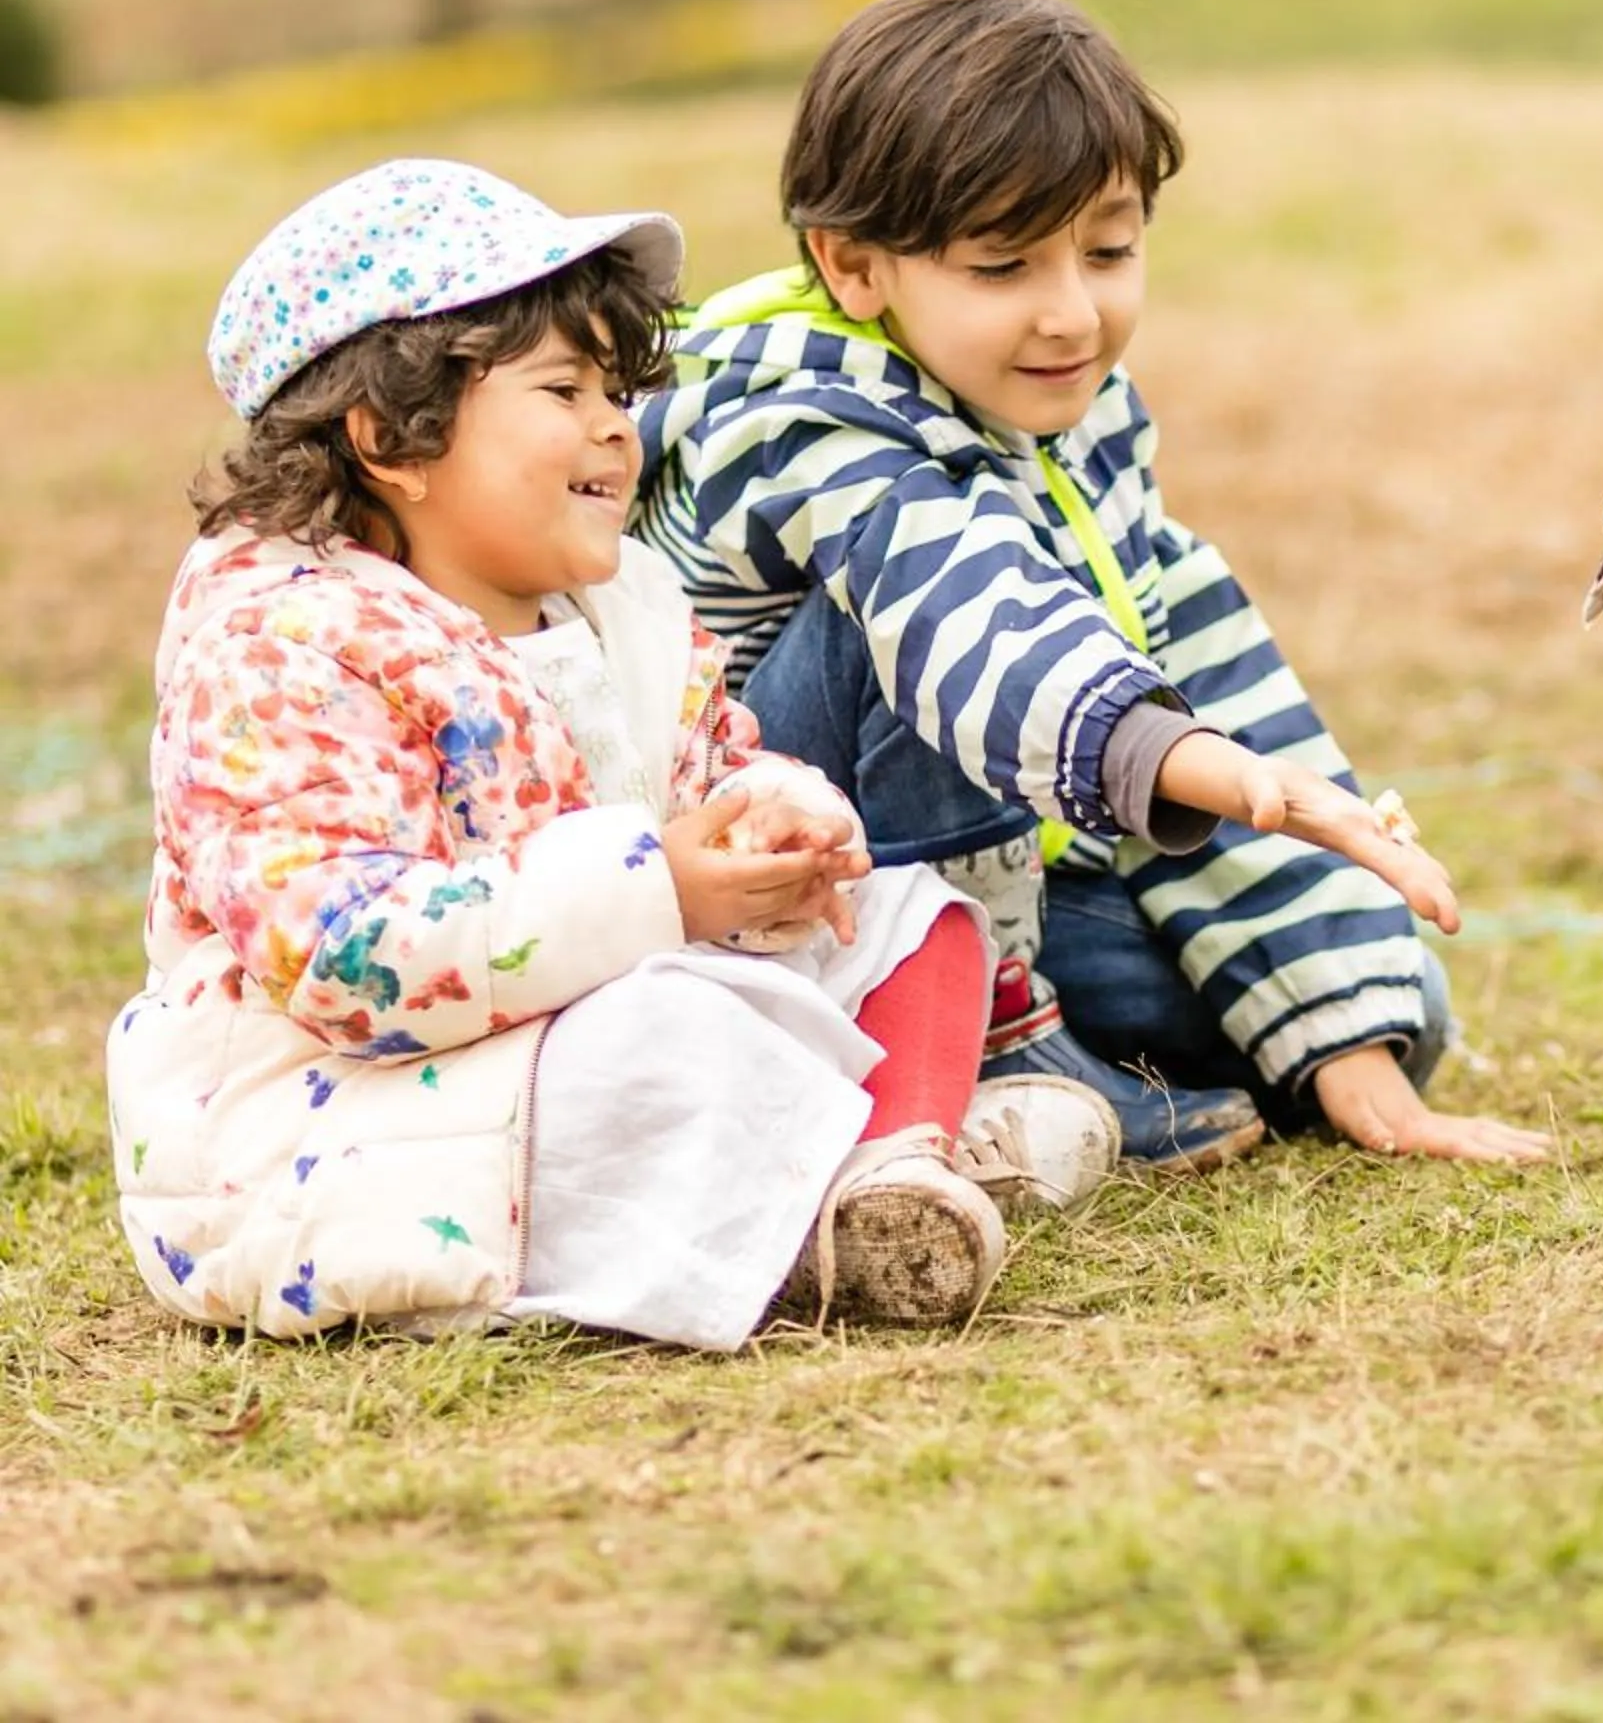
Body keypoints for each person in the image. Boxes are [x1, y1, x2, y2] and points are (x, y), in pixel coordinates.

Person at [111, 157, 1119, 1348]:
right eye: (564, 388)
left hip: (601, 1002)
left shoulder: (617, 607)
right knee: (672, 1034)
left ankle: (898, 1165)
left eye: (616, 387)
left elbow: (705, 763)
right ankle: (824, 1213)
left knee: (913, 917)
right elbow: (346, 962)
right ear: (391, 435)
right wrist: (659, 891)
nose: (614, 424)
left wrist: (769, 816)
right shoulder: (283, 649)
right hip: (348, 1122)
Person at [634, 0, 1549, 1169]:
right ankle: (987, 1055)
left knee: (1371, 1007)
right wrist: (1187, 759)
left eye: (1107, 251)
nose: (1071, 315)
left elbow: (1203, 660)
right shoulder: (799, 421)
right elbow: (978, 618)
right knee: (900, 626)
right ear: (854, 265)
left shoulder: (1077, 418)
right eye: (1003, 265)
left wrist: (1337, 1019)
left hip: (1013, 871)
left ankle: (1037, 1025)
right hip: (775, 898)